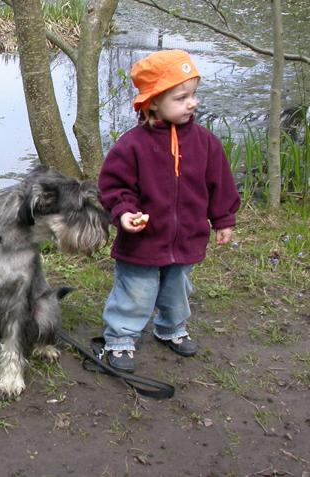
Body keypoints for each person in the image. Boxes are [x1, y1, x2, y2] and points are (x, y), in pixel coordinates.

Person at [97, 49, 241, 373]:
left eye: (193, 95)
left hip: (187, 236)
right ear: (153, 103)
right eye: (181, 97)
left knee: (179, 288)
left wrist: (223, 220)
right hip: (142, 239)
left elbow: (220, 185)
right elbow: (114, 187)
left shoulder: (206, 143)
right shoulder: (131, 145)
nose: (193, 103)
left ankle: (171, 328)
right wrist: (124, 212)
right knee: (135, 290)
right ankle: (120, 339)